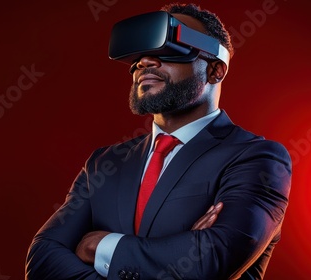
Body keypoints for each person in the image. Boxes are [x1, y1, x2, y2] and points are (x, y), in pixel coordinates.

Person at [25, 3, 291, 279]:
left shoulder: (257, 157)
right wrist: (176, 250)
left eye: (168, 49)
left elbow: (212, 260)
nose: (145, 62)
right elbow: (43, 260)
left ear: (215, 70)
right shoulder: (105, 163)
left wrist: (97, 246)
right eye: (141, 55)